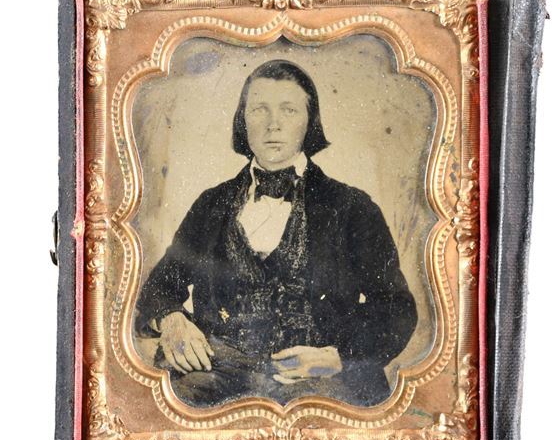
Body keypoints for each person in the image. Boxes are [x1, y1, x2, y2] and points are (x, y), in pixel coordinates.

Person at [135, 59, 417, 407]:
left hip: (318, 379)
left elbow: (396, 309)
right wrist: (172, 320)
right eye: (259, 110)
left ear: (309, 122)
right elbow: (160, 286)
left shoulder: (351, 207)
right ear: (243, 120)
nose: (273, 124)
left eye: (288, 110)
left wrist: (337, 356)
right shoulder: (212, 204)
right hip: (219, 375)